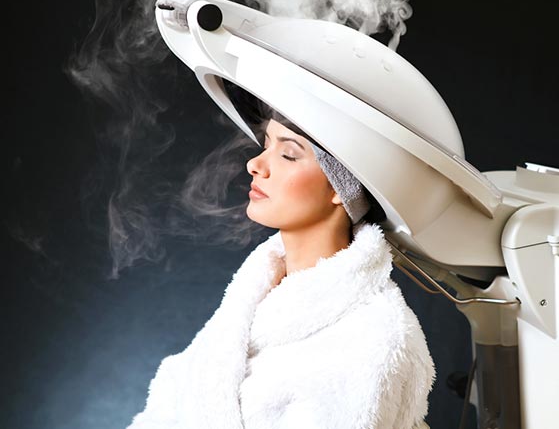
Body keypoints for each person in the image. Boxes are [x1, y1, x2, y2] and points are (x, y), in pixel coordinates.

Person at [126, 90, 436, 428]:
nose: (255, 164)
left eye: (288, 154)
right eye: (266, 144)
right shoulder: (257, 293)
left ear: (341, 187)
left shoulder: (375, 337)